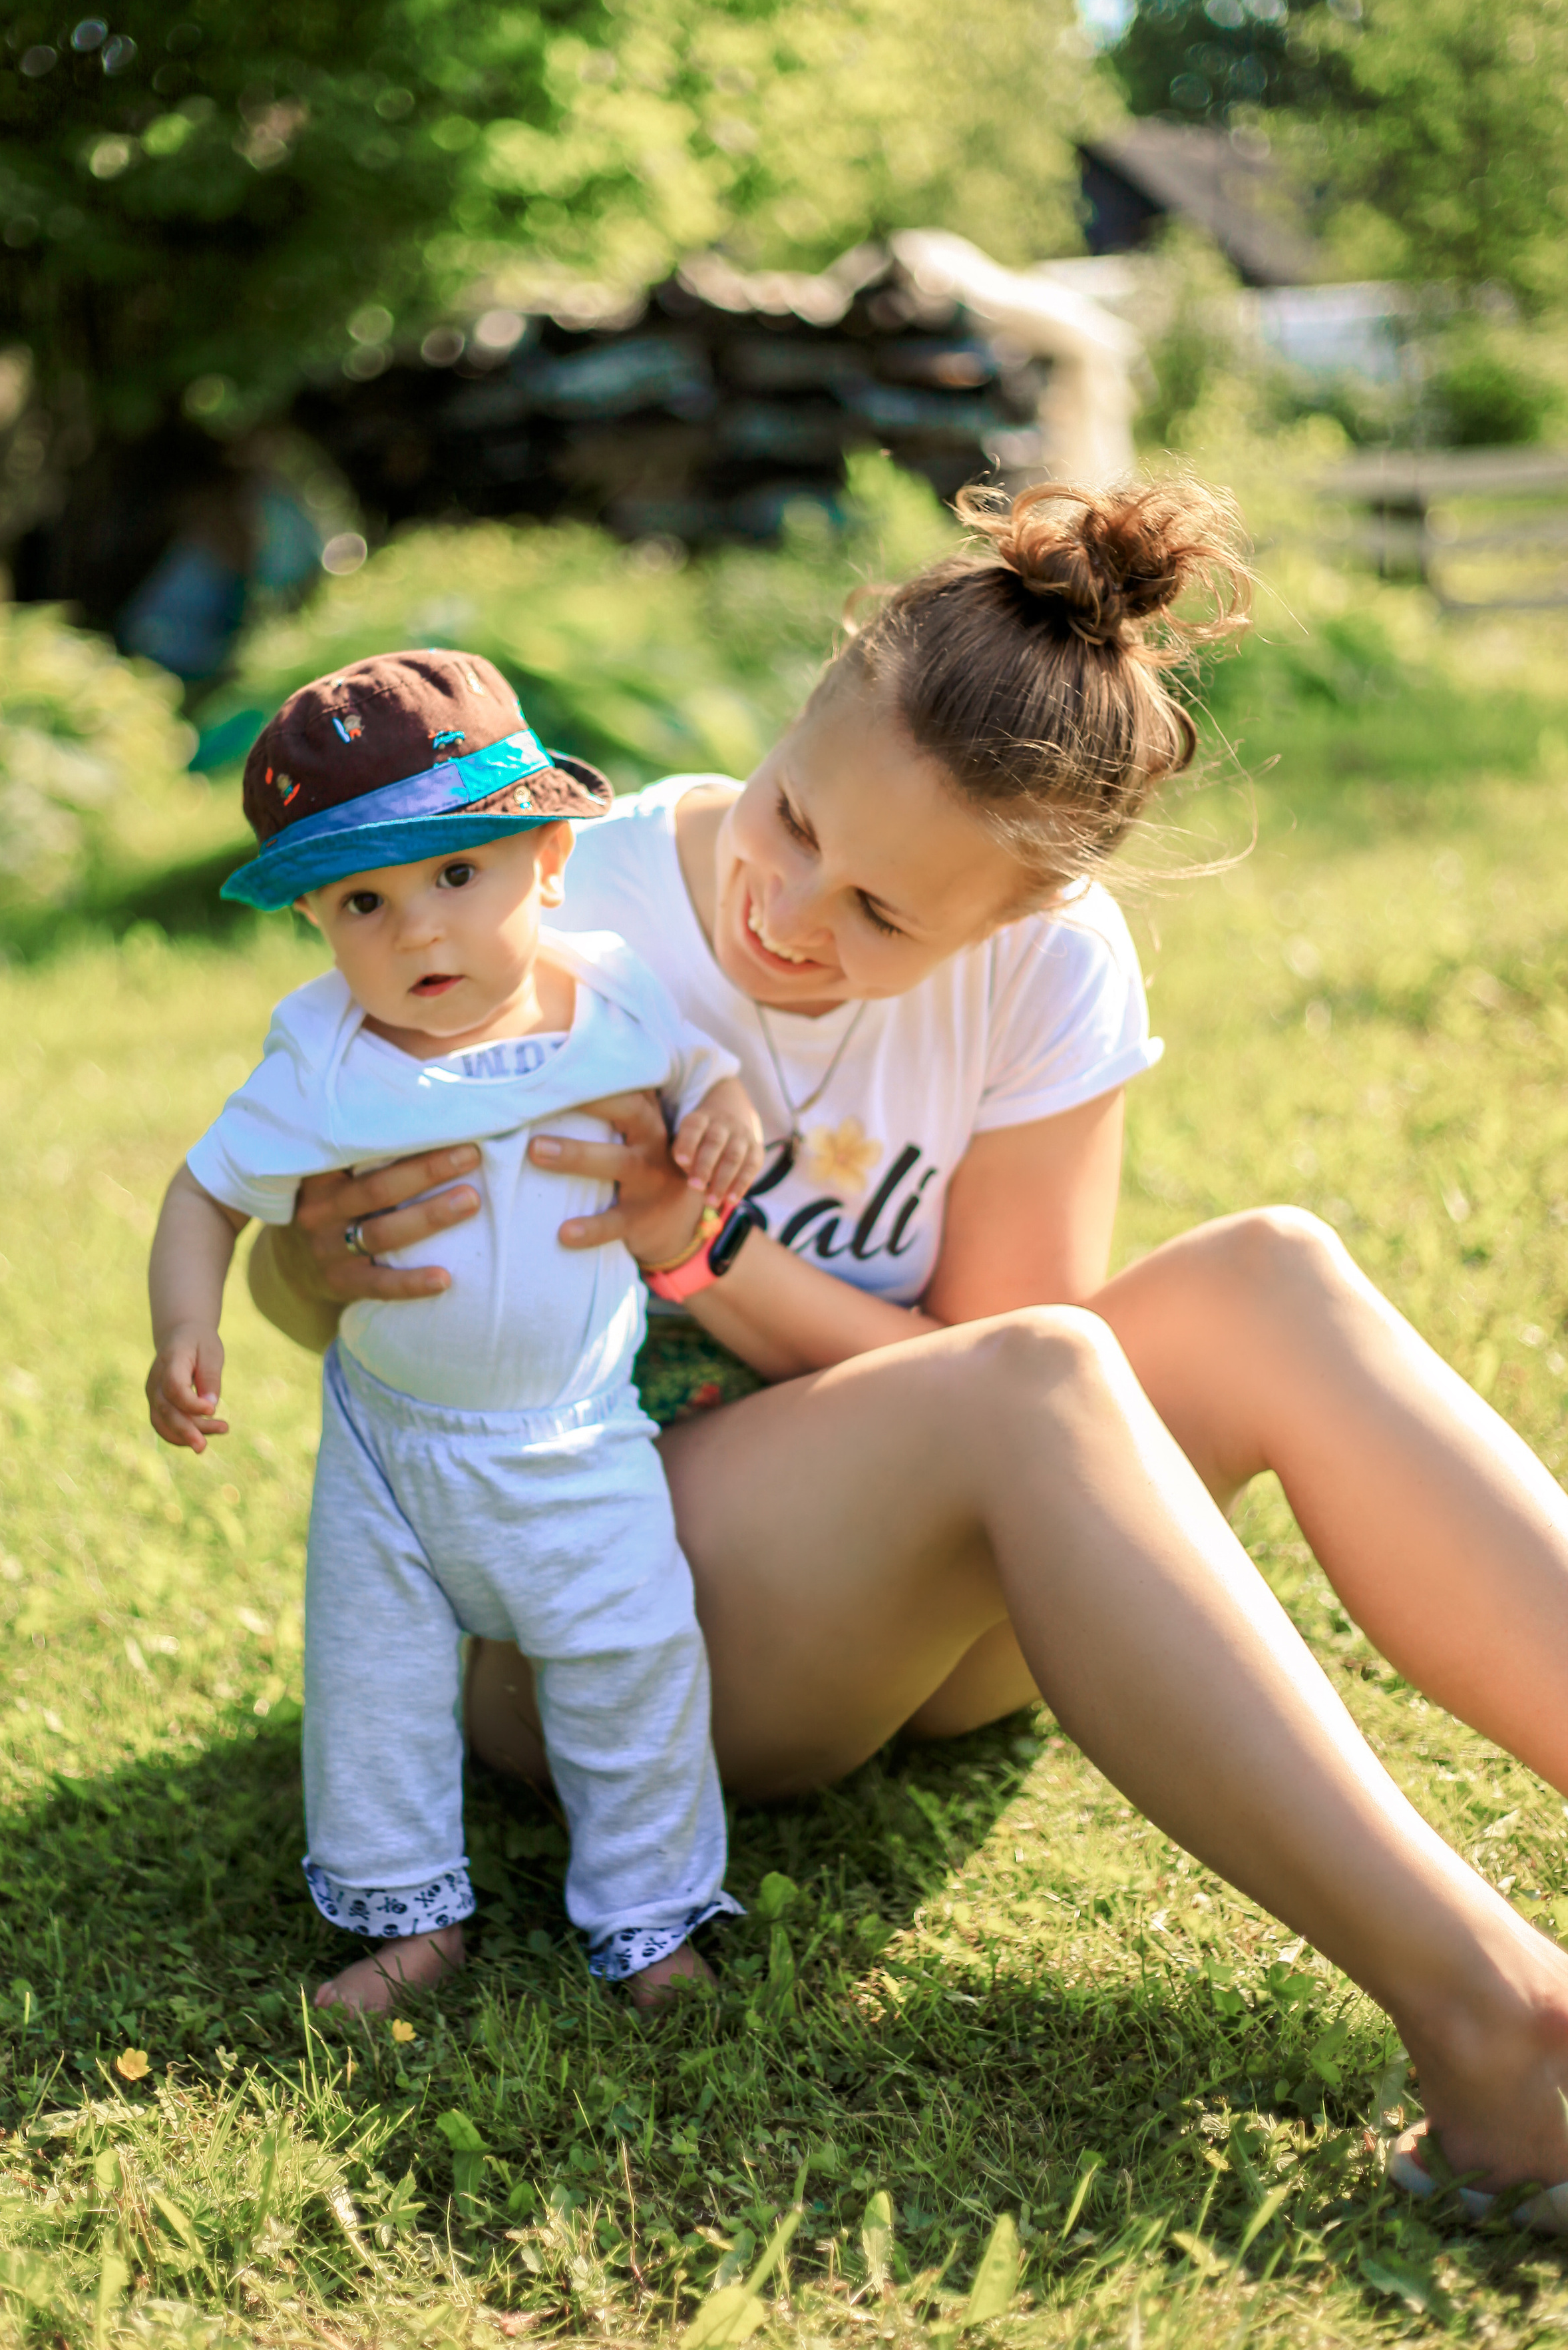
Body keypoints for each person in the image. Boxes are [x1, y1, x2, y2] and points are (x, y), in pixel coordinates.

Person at [249, 481, 1568, 2231]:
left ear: (1015, 920)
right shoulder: (565, 916)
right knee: (1040, 1381)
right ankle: (1506, 2028)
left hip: (926, 1605)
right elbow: (307, 1278)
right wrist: (298, 1269)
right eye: (791, 820)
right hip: (596, 1622)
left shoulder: (1047, 970)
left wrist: (704, 1251)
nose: (789, 914)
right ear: (798, 716)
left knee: (1272, 1280)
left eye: (884, 918)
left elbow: (999, 1350)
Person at [144, 649, 765, 2014]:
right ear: (312, 913)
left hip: (579, 1432)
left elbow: (706, 1070)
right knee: (373, 1695)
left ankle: (650, 1920)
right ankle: (407, 1919)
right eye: (364, 900)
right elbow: (204, 1193)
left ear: (548, 860)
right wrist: (184, 1327)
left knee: (633, 1660)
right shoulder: (320, 1062)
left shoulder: (612, 996)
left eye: (456, 878)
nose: (417, 934)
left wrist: (726, 1113)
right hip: (392, 1455)